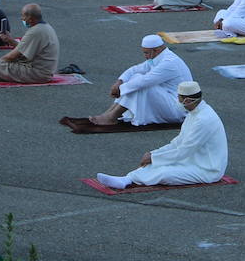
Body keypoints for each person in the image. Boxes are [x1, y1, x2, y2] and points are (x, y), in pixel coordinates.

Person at [96, 81, 226, 190]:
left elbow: (184, 151)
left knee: (165, 174)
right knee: (157, 163)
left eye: (179, 98)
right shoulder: (194, 114)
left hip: (208, 169)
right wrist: (153, 154)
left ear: (187, 100)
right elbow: (178, 142)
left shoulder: (204, 120)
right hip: (193, 159)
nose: (177, 101)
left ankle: (129, 180)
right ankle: (126, 179)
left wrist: (155, 158)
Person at [90, 35, 193, 127]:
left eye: (146, 53)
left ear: (156, 50)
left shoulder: (169, 63)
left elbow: (144, 81)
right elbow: (135, 69)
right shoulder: (159, 57)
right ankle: (109, 113)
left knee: (141, 84)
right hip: (169, 100)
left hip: (179, 110)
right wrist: (119, 82)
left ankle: (112, 117)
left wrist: (120, 90)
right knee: (136, 76)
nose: (145, 56)